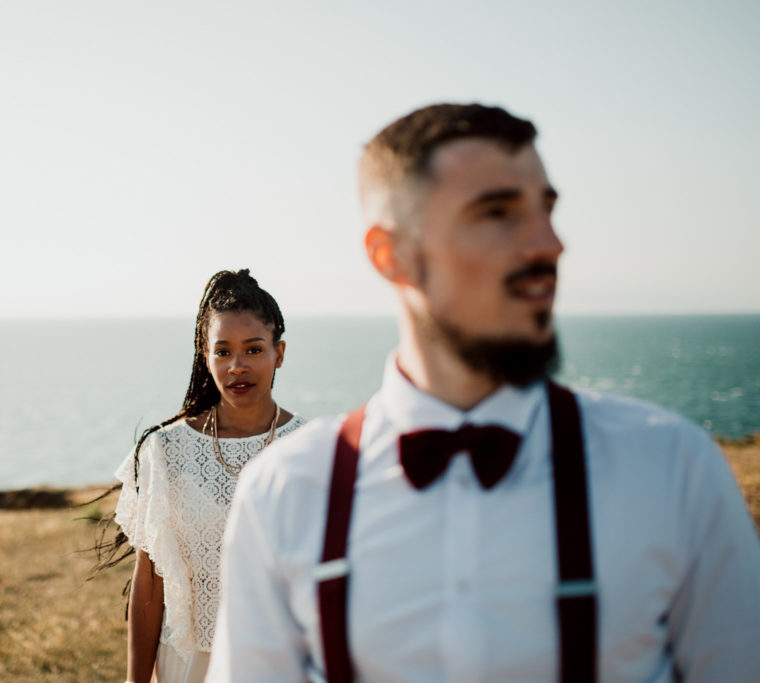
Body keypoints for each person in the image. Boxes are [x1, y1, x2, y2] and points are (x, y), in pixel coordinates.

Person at [207, 104, 760, 681]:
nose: (549, 245)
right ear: (390, 255)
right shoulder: (285, 493)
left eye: (545, 211)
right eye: (497, 213)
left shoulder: (676, 469)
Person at [111, 269, 306, 683]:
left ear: (280, 353)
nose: (237, 366)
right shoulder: (165, 451)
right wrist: (134, 679)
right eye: (223, 352)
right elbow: (149, 581)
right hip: (187, 665)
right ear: (205, 354)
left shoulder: (310, 449)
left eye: (254, 350)